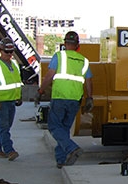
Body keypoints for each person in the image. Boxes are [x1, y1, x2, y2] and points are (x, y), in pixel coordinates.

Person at [38, 31, 93, 168]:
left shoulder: (59, 56)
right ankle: (61, 160)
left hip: (60, 97)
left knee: (54, 127)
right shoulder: (83, 60)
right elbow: (89, 81)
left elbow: (49, 75)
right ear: (77, 45)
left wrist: (41, 90)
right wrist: (89, 97)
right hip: (75, 99)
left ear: (64, 44)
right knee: (64, 130)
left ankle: (71, 148)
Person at [0, 39, 23, 160]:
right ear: (0, 51)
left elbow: (17, 82)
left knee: (4, 126)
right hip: (1, 101)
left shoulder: (14, 64)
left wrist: (19, 97)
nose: (9, 54)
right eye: (7, 52)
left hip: (12, 100)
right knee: (3, 127)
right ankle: (9, 150)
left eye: (11, 52)